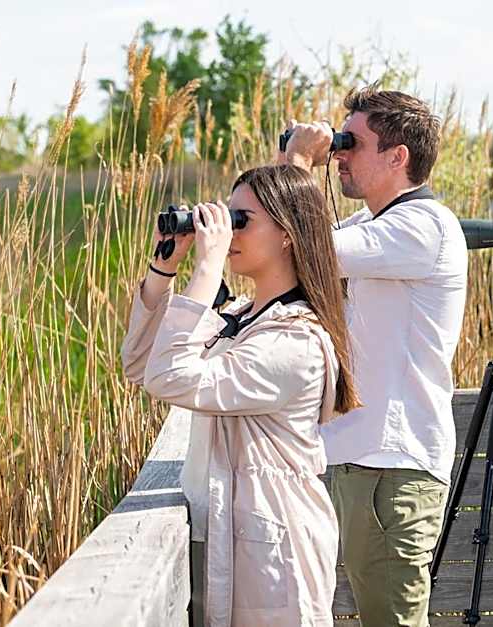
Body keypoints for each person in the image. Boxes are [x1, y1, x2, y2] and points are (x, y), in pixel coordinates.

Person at [121, 165, 361, 626]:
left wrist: (208, 269)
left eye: (241, 219)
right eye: (225, 217)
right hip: (244, 538)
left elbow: (170, 378)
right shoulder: (243, 318)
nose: (227, 230)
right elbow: (142, 365)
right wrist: (163, 268)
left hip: (277, 550)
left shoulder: (296, 340)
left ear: (288, 234)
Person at [282, 85, 468, 626]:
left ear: (397, 156)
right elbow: (286, 246)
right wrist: (288, 166)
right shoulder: (372, 226)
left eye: (350, 144)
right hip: (358, 459)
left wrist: (297, 161)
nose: (338, 154)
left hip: (393, 467)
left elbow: (309, 248)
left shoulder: (422, 227)